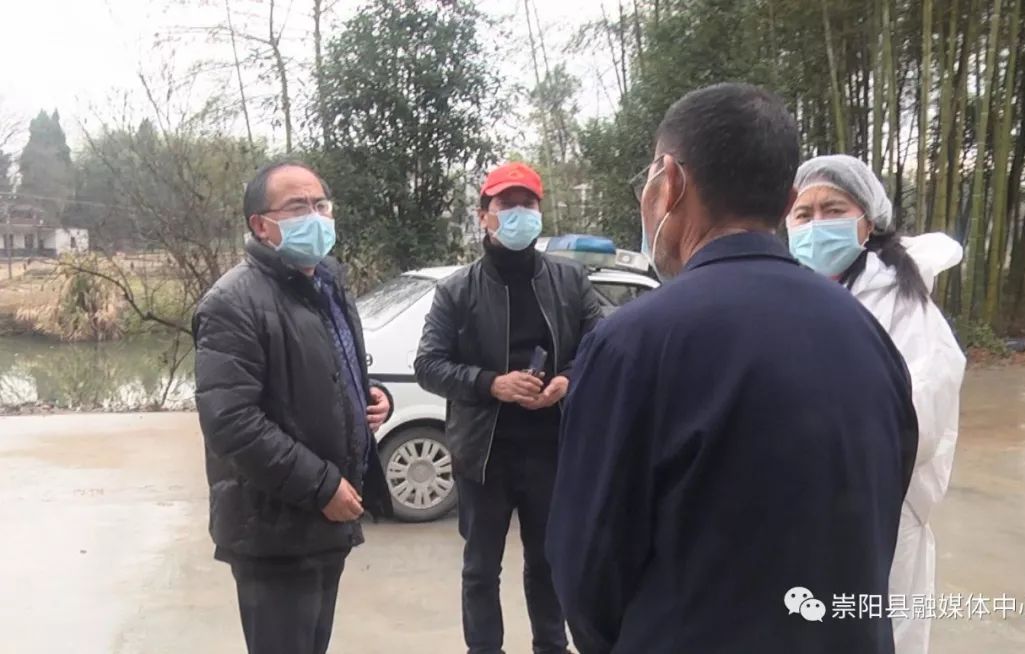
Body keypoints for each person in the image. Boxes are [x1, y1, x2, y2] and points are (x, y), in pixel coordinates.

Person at [545, 83, 918, 654]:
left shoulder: (634, 344)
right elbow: (879, 518)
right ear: (787, 200)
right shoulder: (868, 335)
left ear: (670, 182)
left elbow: (587, 570)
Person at [193, 160, 394, 654]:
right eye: (298, 207)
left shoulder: (327, 284)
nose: (316, 217)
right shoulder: (232, 302)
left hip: (325, 524)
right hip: (273, 530)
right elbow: (232, 422)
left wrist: (367, 396)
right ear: (261, 225)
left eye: (321, 205)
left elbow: (329, 367)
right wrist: (322, 486)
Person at [414, 161, 604, 654]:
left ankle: (551, 646)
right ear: (484, 215)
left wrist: (567, 380)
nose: (519, 213)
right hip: (484, 454)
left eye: (528, 203)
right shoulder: (457, 290)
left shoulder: (570, 281)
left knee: (548, 563)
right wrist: (491, 384)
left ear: (540, 211)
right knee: (481, 569)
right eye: (506, 204)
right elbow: (428, 365)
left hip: (551, 448)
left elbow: (601, 345)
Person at [787, 154, 966, 654]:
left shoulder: (902, 302)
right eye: (803, 214)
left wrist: (823, 437)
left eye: (833, 210)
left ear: (868, 221)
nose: (816, 225)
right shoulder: (792, 294)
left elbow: (920, 413)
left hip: (877, 509)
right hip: (807, 512)